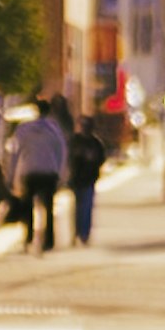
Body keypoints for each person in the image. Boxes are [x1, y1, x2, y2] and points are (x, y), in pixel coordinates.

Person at [8, 82, 69, 251]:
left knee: (27, 206)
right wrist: (61, 173)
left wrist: (12, 175)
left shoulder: (24, 129)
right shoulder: (54, 129)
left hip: (29, 171)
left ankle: (28, 239)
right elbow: (62, 152)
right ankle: (48, 241)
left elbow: (15, 153)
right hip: (49, 172)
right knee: (48, 208)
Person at [66, 81, 109, 248]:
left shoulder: (94, 143)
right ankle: (78, 233)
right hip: (78, 179)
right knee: (79, 208)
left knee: (86, 208)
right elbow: (69, 157)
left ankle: (84, 234)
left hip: (89, 179)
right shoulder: (77, 141)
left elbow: (100, 158)